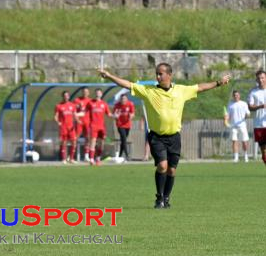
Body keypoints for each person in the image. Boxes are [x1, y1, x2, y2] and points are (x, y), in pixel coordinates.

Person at [98, 63, 231, 209]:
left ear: (169, 75)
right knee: (162, 166)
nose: (158, 76)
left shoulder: (181, 90)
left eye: (161, 73)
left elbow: (200, 87)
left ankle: (166, 198)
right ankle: (159, 197)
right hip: (156, 137)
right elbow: (128, 85)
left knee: (172, 170)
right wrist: (109, 76)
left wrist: (218, 82)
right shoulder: (149, 91)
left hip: (174, 137)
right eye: (157, 73)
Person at [86, 88, 112, 166]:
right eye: (97, 92)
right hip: (93, 126)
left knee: (101, 143)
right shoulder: (90, 103)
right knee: (93, 142)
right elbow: (85, 112)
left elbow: (109, 114)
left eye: (99, 93)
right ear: (95, 93)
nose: (98, 94)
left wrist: (116, 116)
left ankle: (98, 158)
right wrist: (78, 114)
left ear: (101, 94)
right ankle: (91, 159)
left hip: (101, 127)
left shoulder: (104, 104)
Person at [224, 90, 250, 162]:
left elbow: (248, 113)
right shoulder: (230, 104)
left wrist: (247, 115)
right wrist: (226, 119)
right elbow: (228, 115)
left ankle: (246, 156)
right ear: (233, 96)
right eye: (235, 95)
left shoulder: (244, 104)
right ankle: (236, 157)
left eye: (237, 95)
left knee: (244, 141)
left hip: (242, 125)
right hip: (233, 126)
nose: (236, 96)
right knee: (234, 141)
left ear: (239, 95)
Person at [248, 70, 266, 165]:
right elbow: (250, 107)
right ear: (256, 79)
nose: (261, 80)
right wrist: (260, 106)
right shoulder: (253, 92)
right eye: (259, 78)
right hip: (259, 124)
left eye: (262, 78)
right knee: (263, 150)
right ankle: (264, 156)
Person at [54, 91, 77, 164]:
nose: (66, 97)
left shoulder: (72, 105)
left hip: (71, 127)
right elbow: (56, 116)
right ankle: (64, 158)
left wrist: (78, 121)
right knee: (64, 142)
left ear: (69, 97)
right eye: (65, 96)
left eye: (67, 95)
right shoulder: (59, 106)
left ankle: (71, 158)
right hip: (63, 127)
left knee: (74, 142)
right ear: (63, 96)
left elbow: (75, 115)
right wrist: (58, 122)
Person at [113, 93, 135, 161]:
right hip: (120, 125)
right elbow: (114, 114)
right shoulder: (117, 105)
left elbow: (133, 113)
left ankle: (120, 155)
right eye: (122, 99)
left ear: (127, 99)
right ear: (120, 99)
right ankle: (127, 155)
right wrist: (115, 116)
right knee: (124, 139)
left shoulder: (130, 104)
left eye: (124, 98)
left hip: (127, 125)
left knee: (123, 140)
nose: (123, 100)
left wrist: (131, 116)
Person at [73, 87, 92, 161]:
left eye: (86, 92)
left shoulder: (90, 101)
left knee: (88, 138)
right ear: (82, 92)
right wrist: (77, 120)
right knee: (75, 138)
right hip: (79, 122)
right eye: (84, 92)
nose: (85, 93)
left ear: (89, 93)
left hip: (88, 122)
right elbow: (74, 111)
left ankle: (86, 156)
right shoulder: (77, 100)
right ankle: (72, 156)